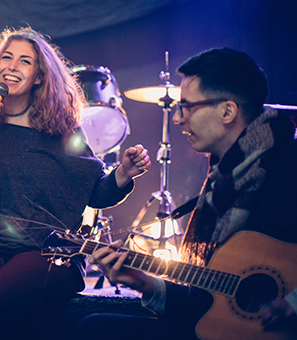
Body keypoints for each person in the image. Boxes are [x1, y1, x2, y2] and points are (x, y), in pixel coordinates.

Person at [0, 26, 151, 340]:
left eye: (24, 61)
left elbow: (95, 193)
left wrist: (123, 173)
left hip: (52, 252)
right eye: (6, 58)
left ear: (39, 76)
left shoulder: (62, 129)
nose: (12, 66)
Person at [77, 48, 297, 340]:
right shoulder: (223, 179)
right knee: (94, 327)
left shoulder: (288, 163)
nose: (178, 119)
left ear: (228, 111)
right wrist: (144, 281)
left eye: (187, 107)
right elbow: (208, 300)